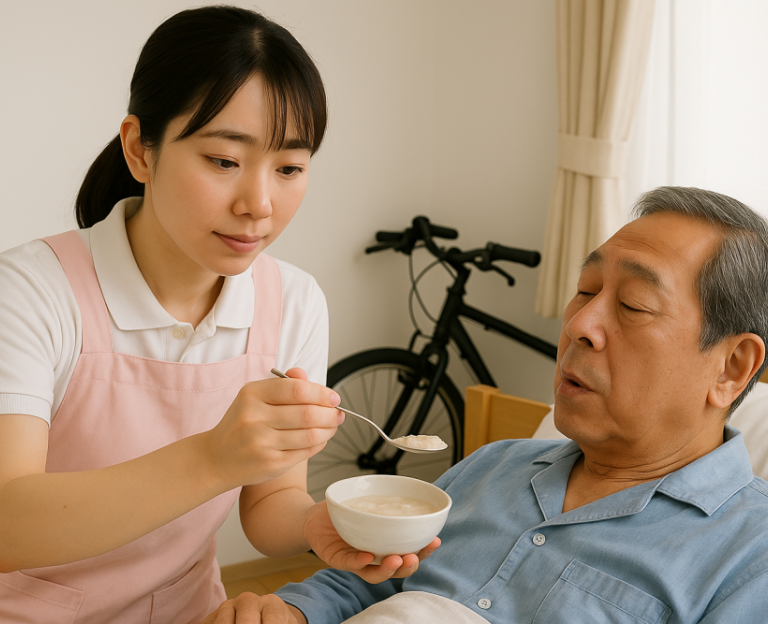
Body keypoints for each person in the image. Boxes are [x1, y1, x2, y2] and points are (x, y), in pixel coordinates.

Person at [0, 7, 434, 623]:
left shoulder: (294, 302)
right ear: (139, 150)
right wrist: (212, 458)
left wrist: (323, 525)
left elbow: (270, 501)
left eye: (289, 168)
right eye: (225, 161)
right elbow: (5, 523)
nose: (259, 204)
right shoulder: (29, 291)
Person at [201, 186, 768, 624]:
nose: (580, 325)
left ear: (732, 367)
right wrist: (292, 610)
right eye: (587, 289)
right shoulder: (491, 468)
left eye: (636, 305)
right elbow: (368, 583)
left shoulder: (749, 559)